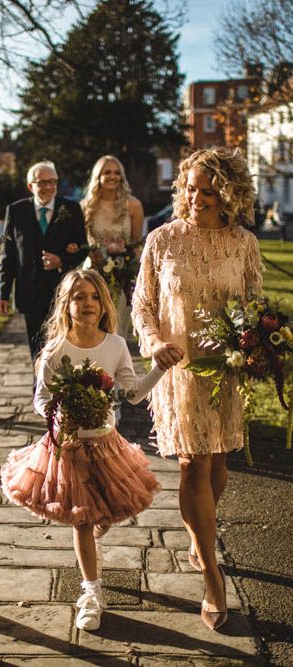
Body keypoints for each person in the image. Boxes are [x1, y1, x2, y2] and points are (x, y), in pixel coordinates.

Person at [1, 269, 176, 631]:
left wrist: (158, 369)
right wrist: (59, 414)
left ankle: (97, 534)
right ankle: (92, 593)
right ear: (66, 305)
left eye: (94, 297)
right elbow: (41, 398)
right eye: (79, 297)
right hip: (68, 446)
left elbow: (131, 392)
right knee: (81, 518)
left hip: (106, 442)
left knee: (104, 515)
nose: (88, 304)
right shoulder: (55, 350)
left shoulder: (114, 345)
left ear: (104, 304)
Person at [132, 147, 263, 631]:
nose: (196, 197)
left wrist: (256, 343)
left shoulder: (243, 243)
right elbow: (142, 303)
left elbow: (254, 303)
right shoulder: (161, 240)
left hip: (226, 372)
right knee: (194, 464)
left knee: (219, 465)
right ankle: (212, 573)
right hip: (180, 368)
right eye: (190, 188)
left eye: (207, 191)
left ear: (227, 194)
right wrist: (154, 341)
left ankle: (198, 536)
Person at [0, 161, 88, 362]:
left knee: (63, 344)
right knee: (37, 348)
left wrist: (62, 260)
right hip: (29, 291)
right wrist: (3, 293)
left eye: (52, 182)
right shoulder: (16, 211)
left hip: (63, 292)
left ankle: (62, 388)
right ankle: (39, 387)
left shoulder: (71, 209)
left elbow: (83, 248)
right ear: (31, 186)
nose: (48, 187)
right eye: (42, 182)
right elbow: (8, 255)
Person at [81, 155, 144, 339]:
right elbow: (83, 244)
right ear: (98, 176)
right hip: (93, 273)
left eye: (117, 173)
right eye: (107, 172)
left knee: (117, 329)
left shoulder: (133, 205)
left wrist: (131, 270)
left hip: (122, 274)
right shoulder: (86, 206)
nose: (112, 176)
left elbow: (135, 244)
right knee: (91, 327)